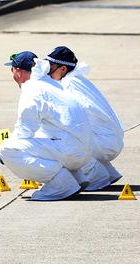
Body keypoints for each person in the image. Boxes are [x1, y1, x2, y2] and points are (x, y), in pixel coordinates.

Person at [0, 51, 93, 201]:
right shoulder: (51, 84)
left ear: (18, 71)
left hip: (71, 150)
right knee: (42, 134)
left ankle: (62, 185)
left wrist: (6, 147)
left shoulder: (32, 88)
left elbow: (25, 129)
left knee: (8, 150)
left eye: (12, 70)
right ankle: (76, 178)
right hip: (84, 152)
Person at [45, 46, 124, 188]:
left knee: (54, 138)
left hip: (104, 143)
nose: (47, 72)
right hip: (109, 140)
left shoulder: (69, 84)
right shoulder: (77, 80)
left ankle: (96, 177)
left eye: (50, 68)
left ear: (63, 69)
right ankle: (108, 171)